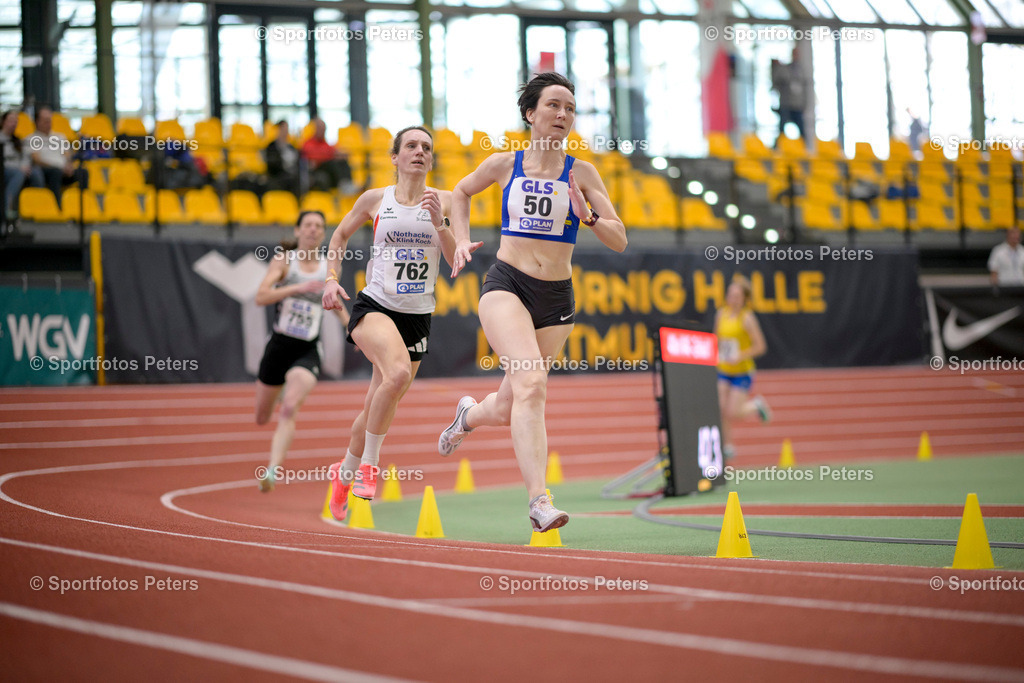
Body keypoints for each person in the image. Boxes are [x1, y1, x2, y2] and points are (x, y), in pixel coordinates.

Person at [437, 72, 627, 533]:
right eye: (553, 106)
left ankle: (469, 415)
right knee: (533, 385)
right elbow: (459, 192)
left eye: (570, 108)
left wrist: (591, 216)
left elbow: (619, 239)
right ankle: (539, 501)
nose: (562, 114)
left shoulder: (582, 173)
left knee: (509, 404)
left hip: (556, 298)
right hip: (507, 284)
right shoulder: (505, 164)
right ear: (530, 113)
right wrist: (460, 239)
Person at [321, 125, 465, 520]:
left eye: (426, 147)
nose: (420, 151)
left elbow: (455, 262)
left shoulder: (448, 201)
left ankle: (343, 473)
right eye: (411, 146)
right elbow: (339, 236)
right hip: (375, 307)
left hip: (417, 317)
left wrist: (441, 223)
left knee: (376, 406)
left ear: (431, 159)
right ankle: (370, 466)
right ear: (395, 157)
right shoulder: (375, 200)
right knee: (397, 374)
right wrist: (331, 278)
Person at [254, 210, 349, 492]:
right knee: (262, 417)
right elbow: (261, 296)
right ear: (297, 231)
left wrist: (351, 328)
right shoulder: (285, 261)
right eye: (307, 225)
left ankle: (272, 470)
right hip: (278, 348)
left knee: (289, 408)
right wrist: (297, 288)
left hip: (307, 350)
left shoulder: (328, 268)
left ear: (323, 233)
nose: (313, 230)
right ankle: (280, 389)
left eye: (319, 226)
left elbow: (334, 304)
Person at [715, 274, 771, 461]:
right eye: (730, 295)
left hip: (742, 371)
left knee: (733, 412)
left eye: (737, 296)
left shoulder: (747, 319)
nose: (732, 299)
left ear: (744, 299)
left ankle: (756, 405)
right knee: (719, 407)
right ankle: (727, 445)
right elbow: (717, 339)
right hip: (723, 369)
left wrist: (740, 355)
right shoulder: (721, 314)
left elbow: (761, 346)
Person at [25, 106, 88, 206]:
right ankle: (57, 207)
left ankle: (84, 205)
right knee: (55, 172)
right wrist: (59, 167)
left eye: (49, 120)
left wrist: (68, 166)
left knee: (83, 172)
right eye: (45, 120)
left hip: (63, 170)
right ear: (37, 121)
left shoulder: (59, 137)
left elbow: (67, 155)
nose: (48, 123)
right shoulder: (31, 138)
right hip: (46, 170)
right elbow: (36, 159)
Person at [1, 110, 39, 224]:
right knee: (18, 173)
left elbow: (25, 157)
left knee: (37, 172)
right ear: (3, 122)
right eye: (11, 120)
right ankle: (5, 206)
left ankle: (37, 206)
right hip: (5, 170)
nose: (13, 124)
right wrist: (19, 168)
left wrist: (24, 166)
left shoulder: (18, 140)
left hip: (19, 169)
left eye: (16, 121)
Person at [301, 118, 354, 194]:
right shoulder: (308, 143)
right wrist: (330, 155)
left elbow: (334, 152)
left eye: (324, 129)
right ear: (315, 129)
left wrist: (340, 155)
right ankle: (343, 185)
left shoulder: (325, 144)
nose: (322, 131)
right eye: (321, 128)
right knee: (332, 163)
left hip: (329, 171)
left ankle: (347, 185)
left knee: (342, 161)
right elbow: (313, 157)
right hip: (317, 170)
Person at [265, 120, 300, 195]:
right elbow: (271, 166)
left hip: (292, 176)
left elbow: (297, 162)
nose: (285, 132)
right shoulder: (271, 147)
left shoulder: (291, 147)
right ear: (278, 130)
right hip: (278, 176)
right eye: (283, 129)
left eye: (287, 129)